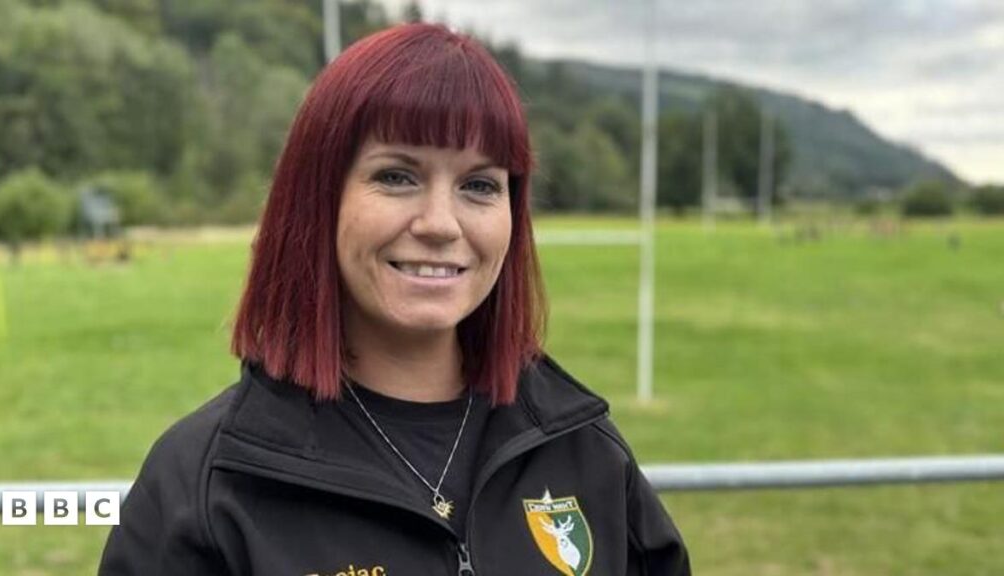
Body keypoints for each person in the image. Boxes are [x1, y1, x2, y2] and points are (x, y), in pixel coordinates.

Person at [99, 22, 690, 576]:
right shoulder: (206, 487)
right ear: (318, 198)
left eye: (479, 185)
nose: (440, 224)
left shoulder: (585, 452)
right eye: (396, 176)